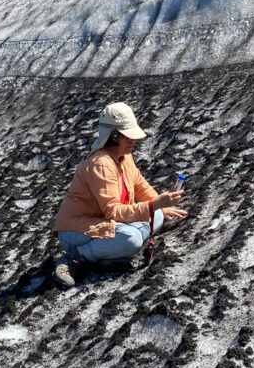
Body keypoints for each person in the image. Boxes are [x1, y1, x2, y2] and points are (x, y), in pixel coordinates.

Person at [52, 102, 186, 288]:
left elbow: (139, 184)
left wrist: (160, 205)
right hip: (77, 230)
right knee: (132, 239)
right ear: (113, 136)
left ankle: (105, 255)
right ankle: (74, 258)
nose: (133, 141)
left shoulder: (124, 155)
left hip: (108, 222)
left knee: (158, 215)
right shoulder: (101, 164)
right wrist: (153, 206)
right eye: (127, 136)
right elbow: (113, 211)